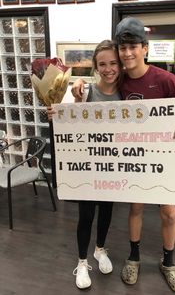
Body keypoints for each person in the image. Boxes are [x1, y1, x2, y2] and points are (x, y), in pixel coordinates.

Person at [72, 17, 175, 293]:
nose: (126, 54)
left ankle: (169, 263)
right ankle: (133, 257)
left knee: (169, 213)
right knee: (135, 208)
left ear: (145, 48)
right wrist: (78, 84)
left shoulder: (166, 79)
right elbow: (98, 87)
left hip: (162, 156)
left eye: (132, 47)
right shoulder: (121, 80)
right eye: (122, 48)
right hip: (132, 160)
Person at [48, 40, 122, 290]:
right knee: (86, 214)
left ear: (120, 65)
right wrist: (57, 114)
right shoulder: (86, 91)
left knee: (107, 211)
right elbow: (73, 122)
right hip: (88, 166)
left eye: (113, 63)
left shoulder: (126, 92)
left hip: (113, 164)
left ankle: (100, 249)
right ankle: (82, 261)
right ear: (95, 67)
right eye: (102, 64)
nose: (108, 68)